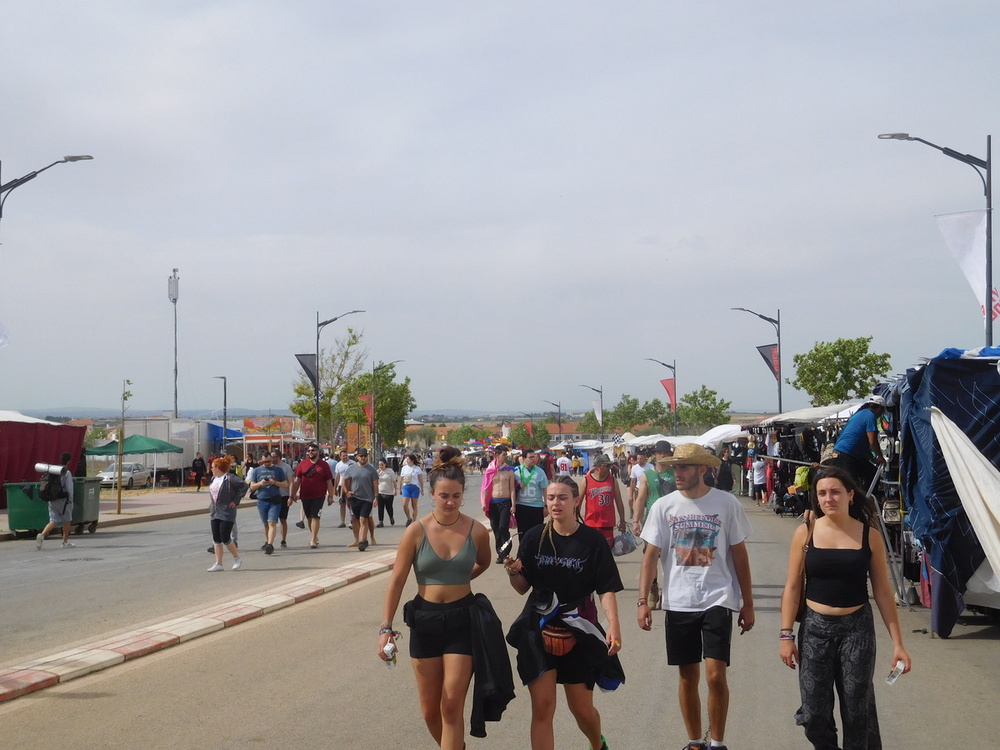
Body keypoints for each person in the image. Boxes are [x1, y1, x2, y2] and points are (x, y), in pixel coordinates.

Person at [378, 447, 512, 748]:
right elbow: (397, 581)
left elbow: (484, 562)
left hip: (463, 621)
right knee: (429, 711)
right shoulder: (415, 531)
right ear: (432, 493)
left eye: (456, 495)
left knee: (451, 705)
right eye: (444, 495)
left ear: (463, 494)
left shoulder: (477, 531)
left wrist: (460, 580)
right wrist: (385, 628)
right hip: (424, 621)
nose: (450, 502)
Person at [779, 465, 911, 750]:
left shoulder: (869, 536)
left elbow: (884, 594)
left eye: (836, 492)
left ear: (850, 495)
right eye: (822, 493)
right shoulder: (805, 533)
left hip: (857, 632)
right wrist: (786, 635)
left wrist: (898, 644)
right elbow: (791, 587)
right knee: (813, 714)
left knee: (856, 711)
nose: (829, 499)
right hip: (814, 630)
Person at [637, 443, 755, 750]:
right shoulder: (664, 506)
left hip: (718, 596)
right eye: (676, 467)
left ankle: (717, 741)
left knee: (715, 675)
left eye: (685, 467)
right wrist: (642, 602)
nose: (678, 473)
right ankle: (694, 741)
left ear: (703, 469)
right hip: (679, 600)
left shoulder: (726, 504)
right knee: (687, 675)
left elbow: (740, 556)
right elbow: (651, 556)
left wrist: (748, 603)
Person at [504, 475, 625, 750]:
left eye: (562, 497)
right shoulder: (535, 537)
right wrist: (513, 572)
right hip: (539, 628)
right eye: (550, 498)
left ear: (576, 501)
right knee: (543, 708)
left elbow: (606, 588)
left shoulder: (592, 541)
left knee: (582, 710)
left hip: (580, 629)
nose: (555, 503)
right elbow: (523, 587)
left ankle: (597, 743)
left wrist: (613, 625)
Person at [831, 395, 887, 493]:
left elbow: (863, 446)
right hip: (845, 455)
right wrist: (880, 456)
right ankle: (858, 504)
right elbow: (872, 442)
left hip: (849, 454)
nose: (881, 415)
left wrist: (873, 458)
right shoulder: (870, 416)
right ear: (879, 408)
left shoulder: (861, 414)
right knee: (849, 485)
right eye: (882, 412)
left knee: (871, 473)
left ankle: (866, 501)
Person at [206, 455, 247, 571]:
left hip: (227, 512)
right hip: (215, 512)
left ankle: (237, 558)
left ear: (218, 468)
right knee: (216, 538)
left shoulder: (229, 478)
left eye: (213, 467)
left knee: (225, 537)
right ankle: (219, 563)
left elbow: (244, 485)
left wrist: (235, 500)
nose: (211, 469)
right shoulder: (214, 479)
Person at [291, 442, 335, 549]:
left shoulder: (324, 465)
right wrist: (293, 494)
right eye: (309, 451)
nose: (310, 452)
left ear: (318, 452)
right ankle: (314, 536)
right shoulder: (302, 464)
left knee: (316, 516)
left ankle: (312, 539)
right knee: (309, 518)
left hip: (319, 495)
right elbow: (297, 480)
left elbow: (329, 481)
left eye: (313, 450)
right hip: (305, 495)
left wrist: (330, 496)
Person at [481, 444, 516, 563]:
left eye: (506, 454)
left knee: (503, 528)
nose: (506, 456)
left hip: (505, 502)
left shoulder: (509, 470)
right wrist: (484, 502)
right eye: (504, 454)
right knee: (495, 528)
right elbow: (485, 487)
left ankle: (506, 551)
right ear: (497, 455)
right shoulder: (490, 470)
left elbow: (512, 489)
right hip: (493, 503)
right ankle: (500, 554)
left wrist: (513, 504)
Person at [581, 454, 626, 547]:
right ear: (598, 467)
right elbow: (577, 503)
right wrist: (574, 520)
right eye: (607, 466)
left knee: (606, 551)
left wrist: (622, 520)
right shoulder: (586, 480)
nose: (610, 468)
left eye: (610, 465)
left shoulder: (613, 480)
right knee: (591, 552)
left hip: (607, 523)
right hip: (591, 524)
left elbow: (619, 502)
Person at [248, 452, 288, 555]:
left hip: (275, 500)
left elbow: (285, 484)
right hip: (262, 500)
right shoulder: (257, 470)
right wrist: (261, 483)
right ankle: (268, 542)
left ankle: (270, 544)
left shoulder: (278, 470)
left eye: (268, 461)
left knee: (272, 522)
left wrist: (274, 482)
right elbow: (252, 486)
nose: (266, 463)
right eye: (264, 462)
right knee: (266, 524)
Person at [35, 452, 76, 550]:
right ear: (68, 461)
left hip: (52, 499)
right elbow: (69, 488)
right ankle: (65, 542)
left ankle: (42, 535)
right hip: (64, 501)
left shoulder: (53, 470)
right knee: (67, 520)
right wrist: (71, 499)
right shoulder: (67, 472)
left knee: (53, 520)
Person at [344, 447, 379, 551]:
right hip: (354, 498)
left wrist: (376, 497)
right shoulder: (351, 468)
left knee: (363, 519)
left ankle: (362, 542)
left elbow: (376, 485)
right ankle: (362, 539)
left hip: (367, 499)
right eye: (361, 456)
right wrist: (347, 492)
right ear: (357, 457)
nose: (363, 458)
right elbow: (345, 480)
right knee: (356, 520)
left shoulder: (372, 469)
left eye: (365, 456)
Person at [514, 448, 549, 536]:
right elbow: (510, 488)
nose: (533, 459)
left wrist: (546, 506)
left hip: (537, 506)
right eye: (530, 457)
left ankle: (536, 550)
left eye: (534, 457)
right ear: (524, 458)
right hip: (521, 506)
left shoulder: (540, 471)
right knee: (522, 533)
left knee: (537, 534)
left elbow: (545, 489)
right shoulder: (516, 471)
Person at [272, 449, 294, 548]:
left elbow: (291, 482)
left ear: (279, 457)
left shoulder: (286, 467)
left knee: (282, 519)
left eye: (274, 457)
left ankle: (283, 540)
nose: (273, 459)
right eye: (271, 457)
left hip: (284, 496)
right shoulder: (270, 468)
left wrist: (291, 496)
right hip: (272, 496)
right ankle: (269, 541)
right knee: (271, 520)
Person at [399, 453, 425, 526]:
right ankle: (408, 518)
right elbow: (401, 479)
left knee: (414, 505)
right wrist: (400, 488)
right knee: (404, 505)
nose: (407, 461)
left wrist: (422, 489)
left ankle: (414, 521)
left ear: (412, 460)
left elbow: (420, 480)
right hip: (406, 487)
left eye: (408, 459)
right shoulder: (404, 468)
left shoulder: (417, 469)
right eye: (406, 459)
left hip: (415, 488)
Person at [332, 449, 355, 529]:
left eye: (346, 455)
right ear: (340, 456)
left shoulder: (352, 463)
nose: (345, 457)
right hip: (341, 486)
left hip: (350, 486)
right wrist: (334, 488)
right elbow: (337, 476)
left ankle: (352, 520)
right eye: (343, 456)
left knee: (350, 504)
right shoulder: (338, 465)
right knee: (342, 504)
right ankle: (342, 522)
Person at [376, 459, 398, 527]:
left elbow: (394, 482)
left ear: (385, 464)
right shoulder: (377, 472)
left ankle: (391, 517)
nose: (381, 466)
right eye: (379, 465)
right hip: (380, 492)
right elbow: (375, 482)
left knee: (389, 508)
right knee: (380, 508)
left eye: (382, 465)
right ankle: (380, 521)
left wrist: (395, 490)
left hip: (389, 493)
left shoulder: (390, 471)